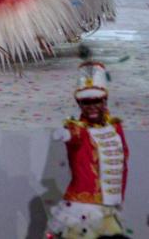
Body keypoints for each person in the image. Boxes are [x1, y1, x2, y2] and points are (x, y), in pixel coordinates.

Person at [47, 62, 128, 239]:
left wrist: (118, 198)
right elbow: (75, 135)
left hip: (108, 207)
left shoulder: (116, 128)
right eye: (86, 102)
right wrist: (65, 134)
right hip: (81, 208)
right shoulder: (77, 128)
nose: (91, 106)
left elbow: (123, 164)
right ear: (79, 104)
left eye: (96, 101)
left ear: (104, 101)